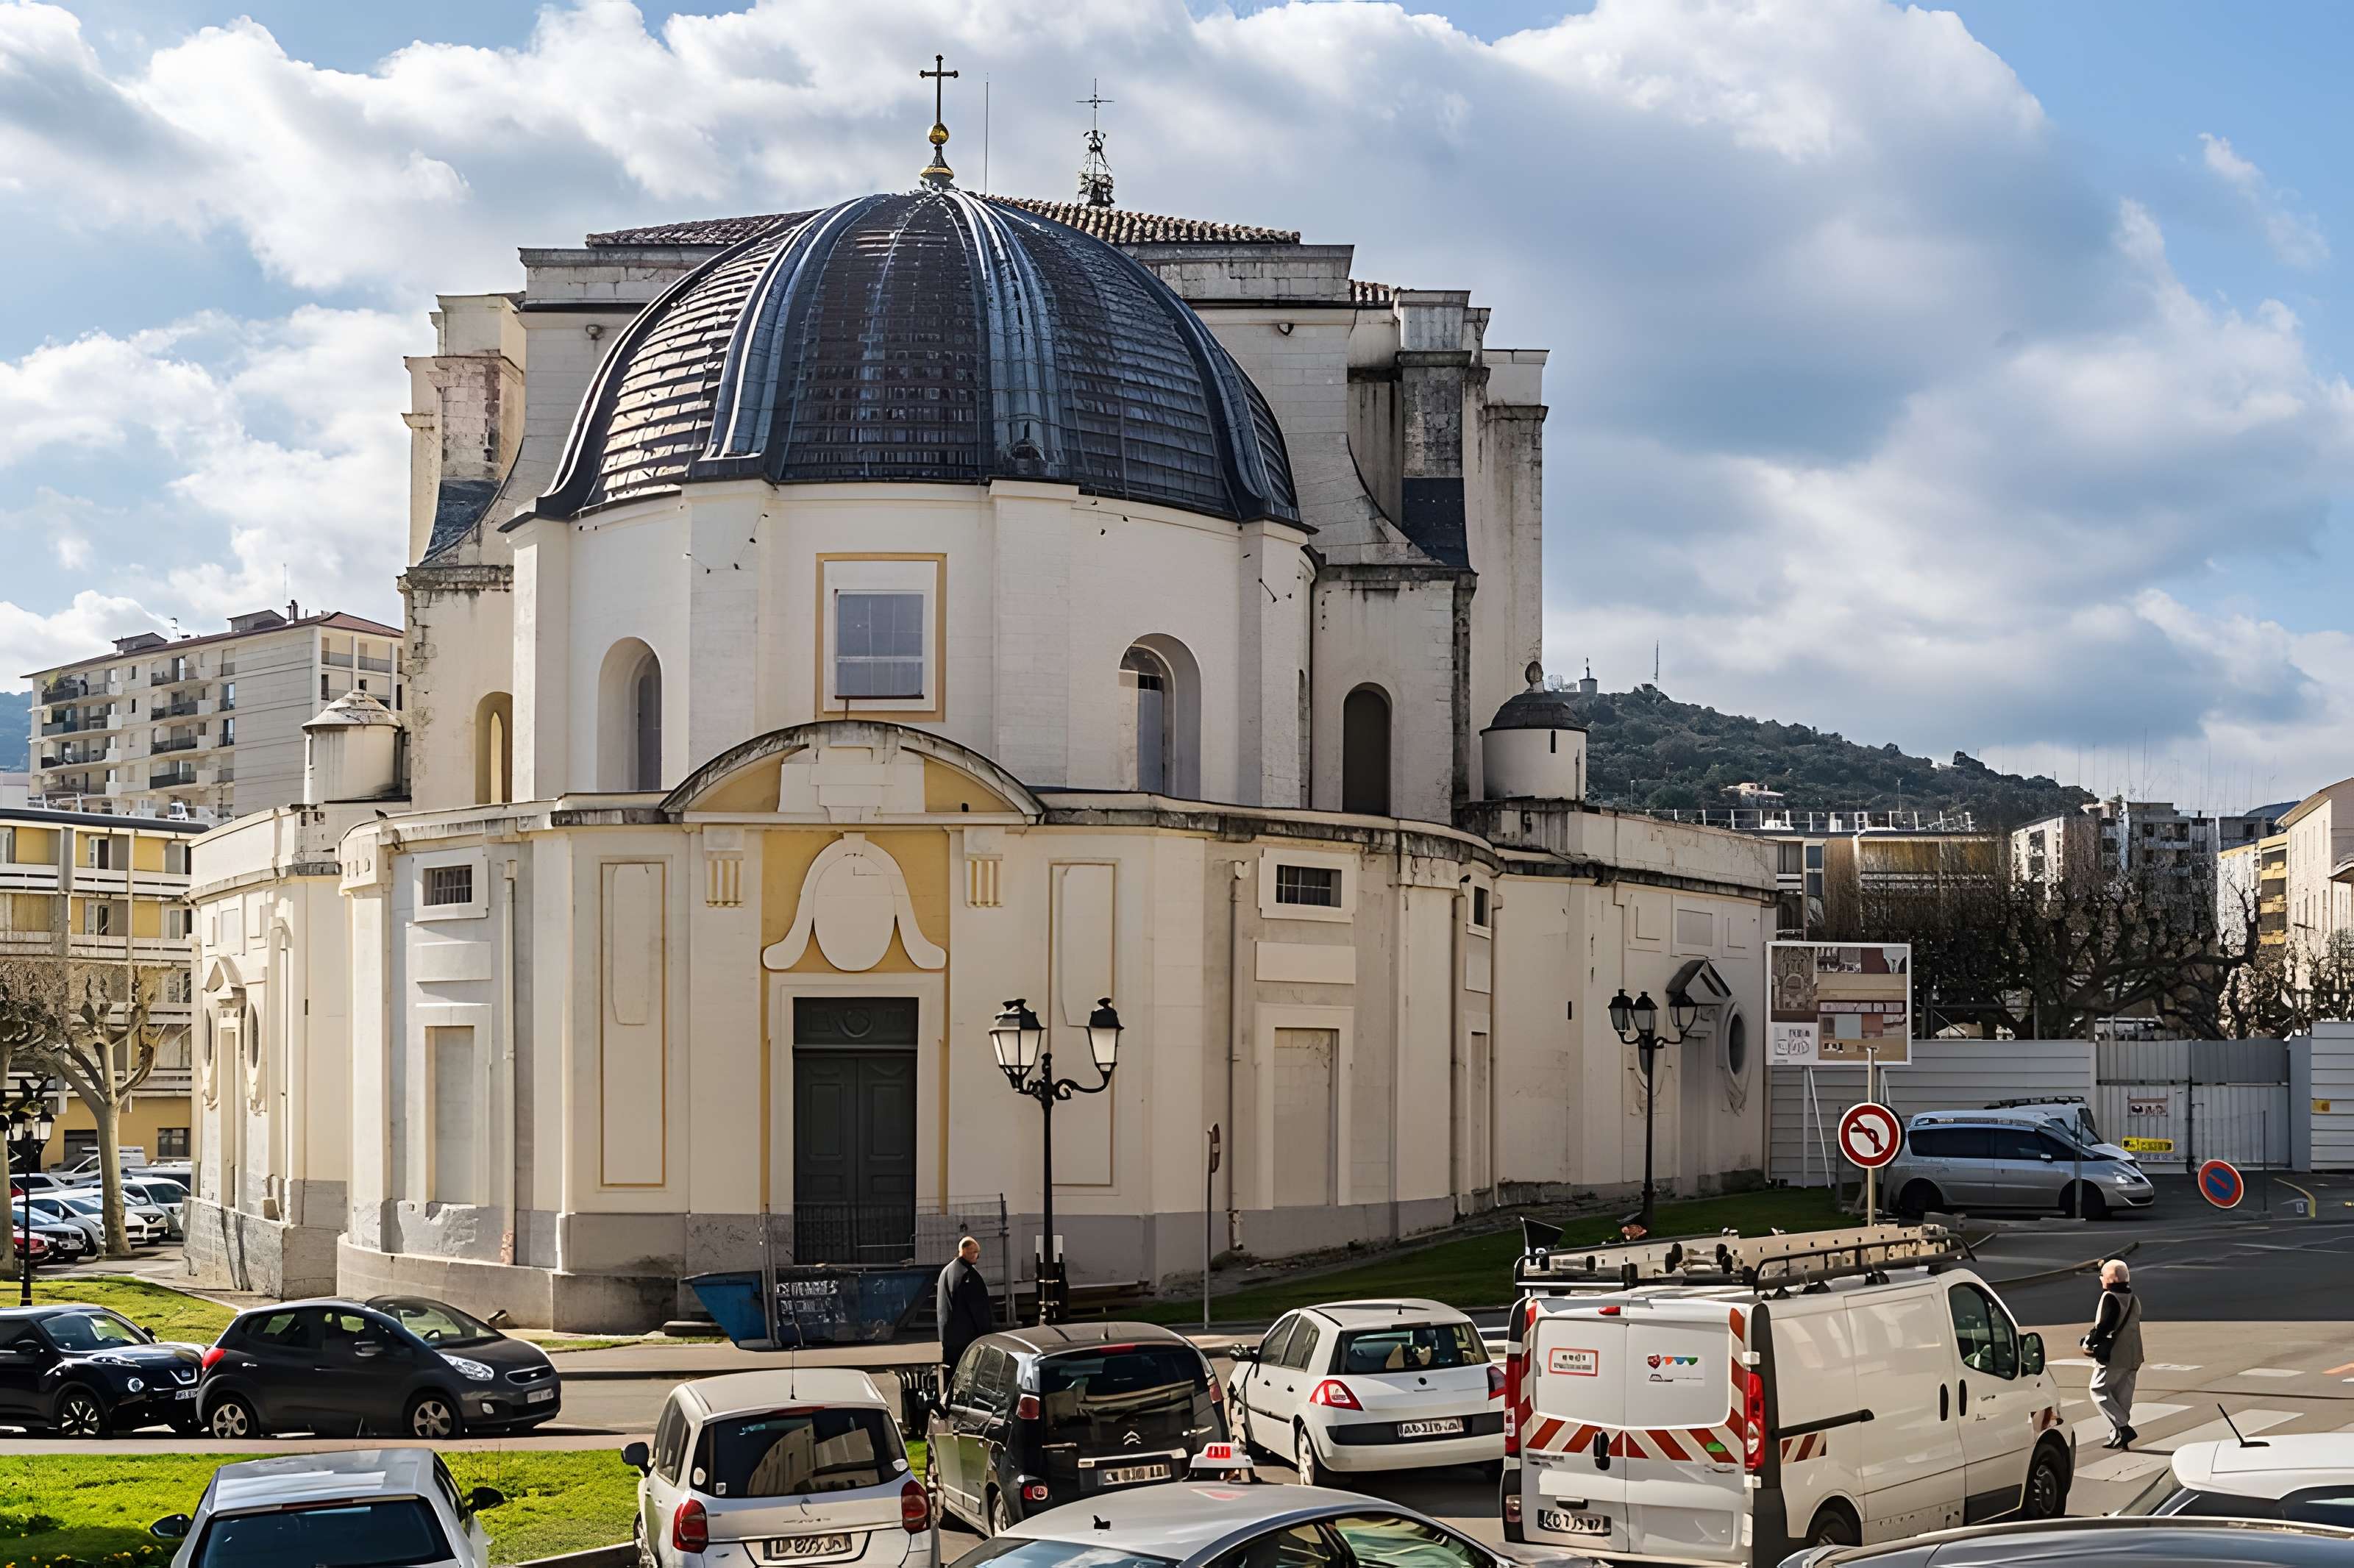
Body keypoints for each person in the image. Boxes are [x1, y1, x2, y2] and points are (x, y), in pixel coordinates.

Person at [2083, 1258, 2144, 1449]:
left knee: (2098, 1390)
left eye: (2102, 1276)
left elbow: (2104, 1326)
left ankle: (2123, 1428)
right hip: (2133, 1355)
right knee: (2121, 1396)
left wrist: (2089, 1341)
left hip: (2114, 1356)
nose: (2100, 1279)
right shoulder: (2133, 1298)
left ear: (2109, 1279)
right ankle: (2118, 1435)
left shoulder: (2110, 1298)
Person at [936, 1236, 995, 1389]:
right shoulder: (967, 1274)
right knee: (968, 1381)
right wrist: (988, 1334)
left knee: (951, 1379)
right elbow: (978, 1310)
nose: (977, 1256)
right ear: (964, 1251)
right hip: (967, 1340)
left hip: (949, 1339)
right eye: (974, 1252)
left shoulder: (947, 1271)